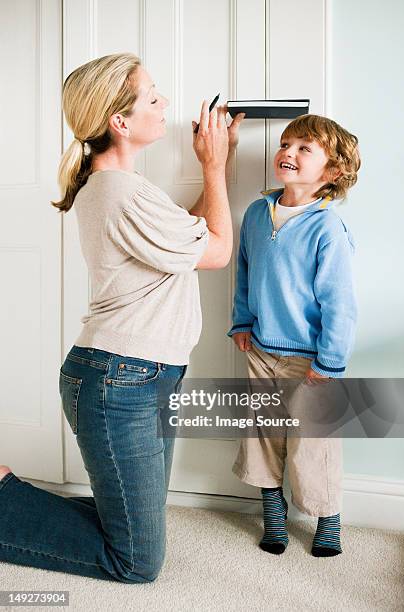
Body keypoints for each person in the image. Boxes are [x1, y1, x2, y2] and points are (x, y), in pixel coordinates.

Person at [0, 52, 244, 583]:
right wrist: (215, 166)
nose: (166, 104)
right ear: (120, 121)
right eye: (153, 97)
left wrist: (214, 167)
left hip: (138, 374)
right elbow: (219, 250)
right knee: (136, 561)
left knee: (134, 526)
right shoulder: (120, 192)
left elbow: (191, 238)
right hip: (121, 380)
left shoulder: (121, 190)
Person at [227, 114, 361, 557]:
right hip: (261, 349)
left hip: (313, 360)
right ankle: (272, 510)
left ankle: (328, 519)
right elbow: (244, 273)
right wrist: (242, 321)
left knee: (314, 443)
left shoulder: (327, 228)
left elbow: (340, 302)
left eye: (305, 148)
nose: (288, 152)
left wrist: (330, 360)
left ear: (333, 170)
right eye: (286, 144)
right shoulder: (254, 213)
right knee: (262, 433)